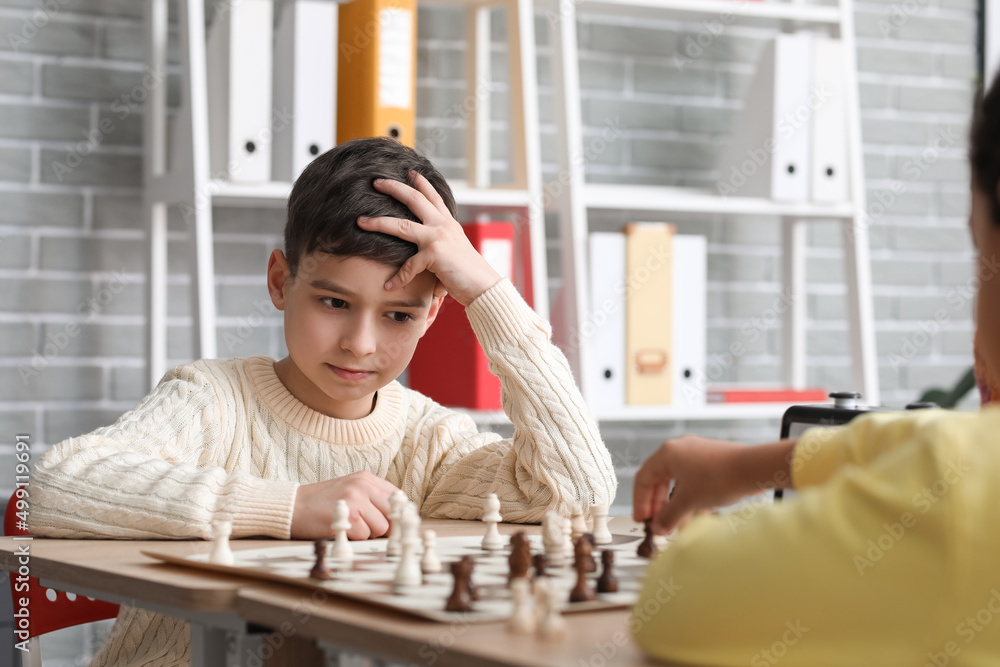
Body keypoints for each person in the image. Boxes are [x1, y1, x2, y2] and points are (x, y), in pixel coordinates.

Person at [28, 137, 617, 666]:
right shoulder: (213, 400)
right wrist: (289, 507)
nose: (361, 345)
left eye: (398, 315)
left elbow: (579, 491)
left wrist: (486, 291)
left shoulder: (428, 441)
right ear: (281, 282)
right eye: (335, 303)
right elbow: (56, 487)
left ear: (434, 312)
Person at [629, 75, 1000, 665]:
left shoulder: (963, 501)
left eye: (976, 248)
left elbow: (677, 602)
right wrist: (748, 466)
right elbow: (944, 444)